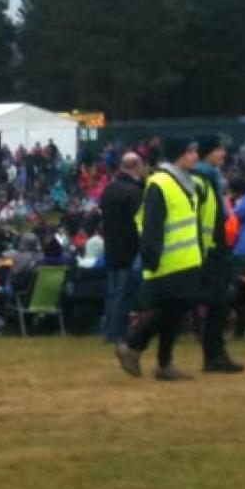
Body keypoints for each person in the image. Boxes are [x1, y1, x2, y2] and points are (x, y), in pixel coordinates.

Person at [115, 138, 205, 380]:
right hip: (168, 261)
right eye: (190, 153)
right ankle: (134, 344)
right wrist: (151, 256)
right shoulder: (161, 183)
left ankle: (163, 363)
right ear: (178, 156)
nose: (195, 156)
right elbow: (152, 224)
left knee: (174, 311)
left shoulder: (188, 183)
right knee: (171, 309)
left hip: (185, 259)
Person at [192, 136, 243, 373]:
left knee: (219, 300)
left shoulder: (211, 177)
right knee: (217, 299)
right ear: (208, 152)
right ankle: (214, 354)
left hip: (216, 244)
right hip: (211, 247)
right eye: (219, 149)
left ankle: (215, 354)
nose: (223, 153)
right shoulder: (204, 178)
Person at [100, 152, 146, 343]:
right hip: (129, 248)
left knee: (113, 292)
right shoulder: (135, 193)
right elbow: (141, 224)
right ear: (137, 167)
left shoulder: (109, 190)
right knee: (124, 293)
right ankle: (117, 333)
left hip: (111, 247)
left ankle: (109, 330)